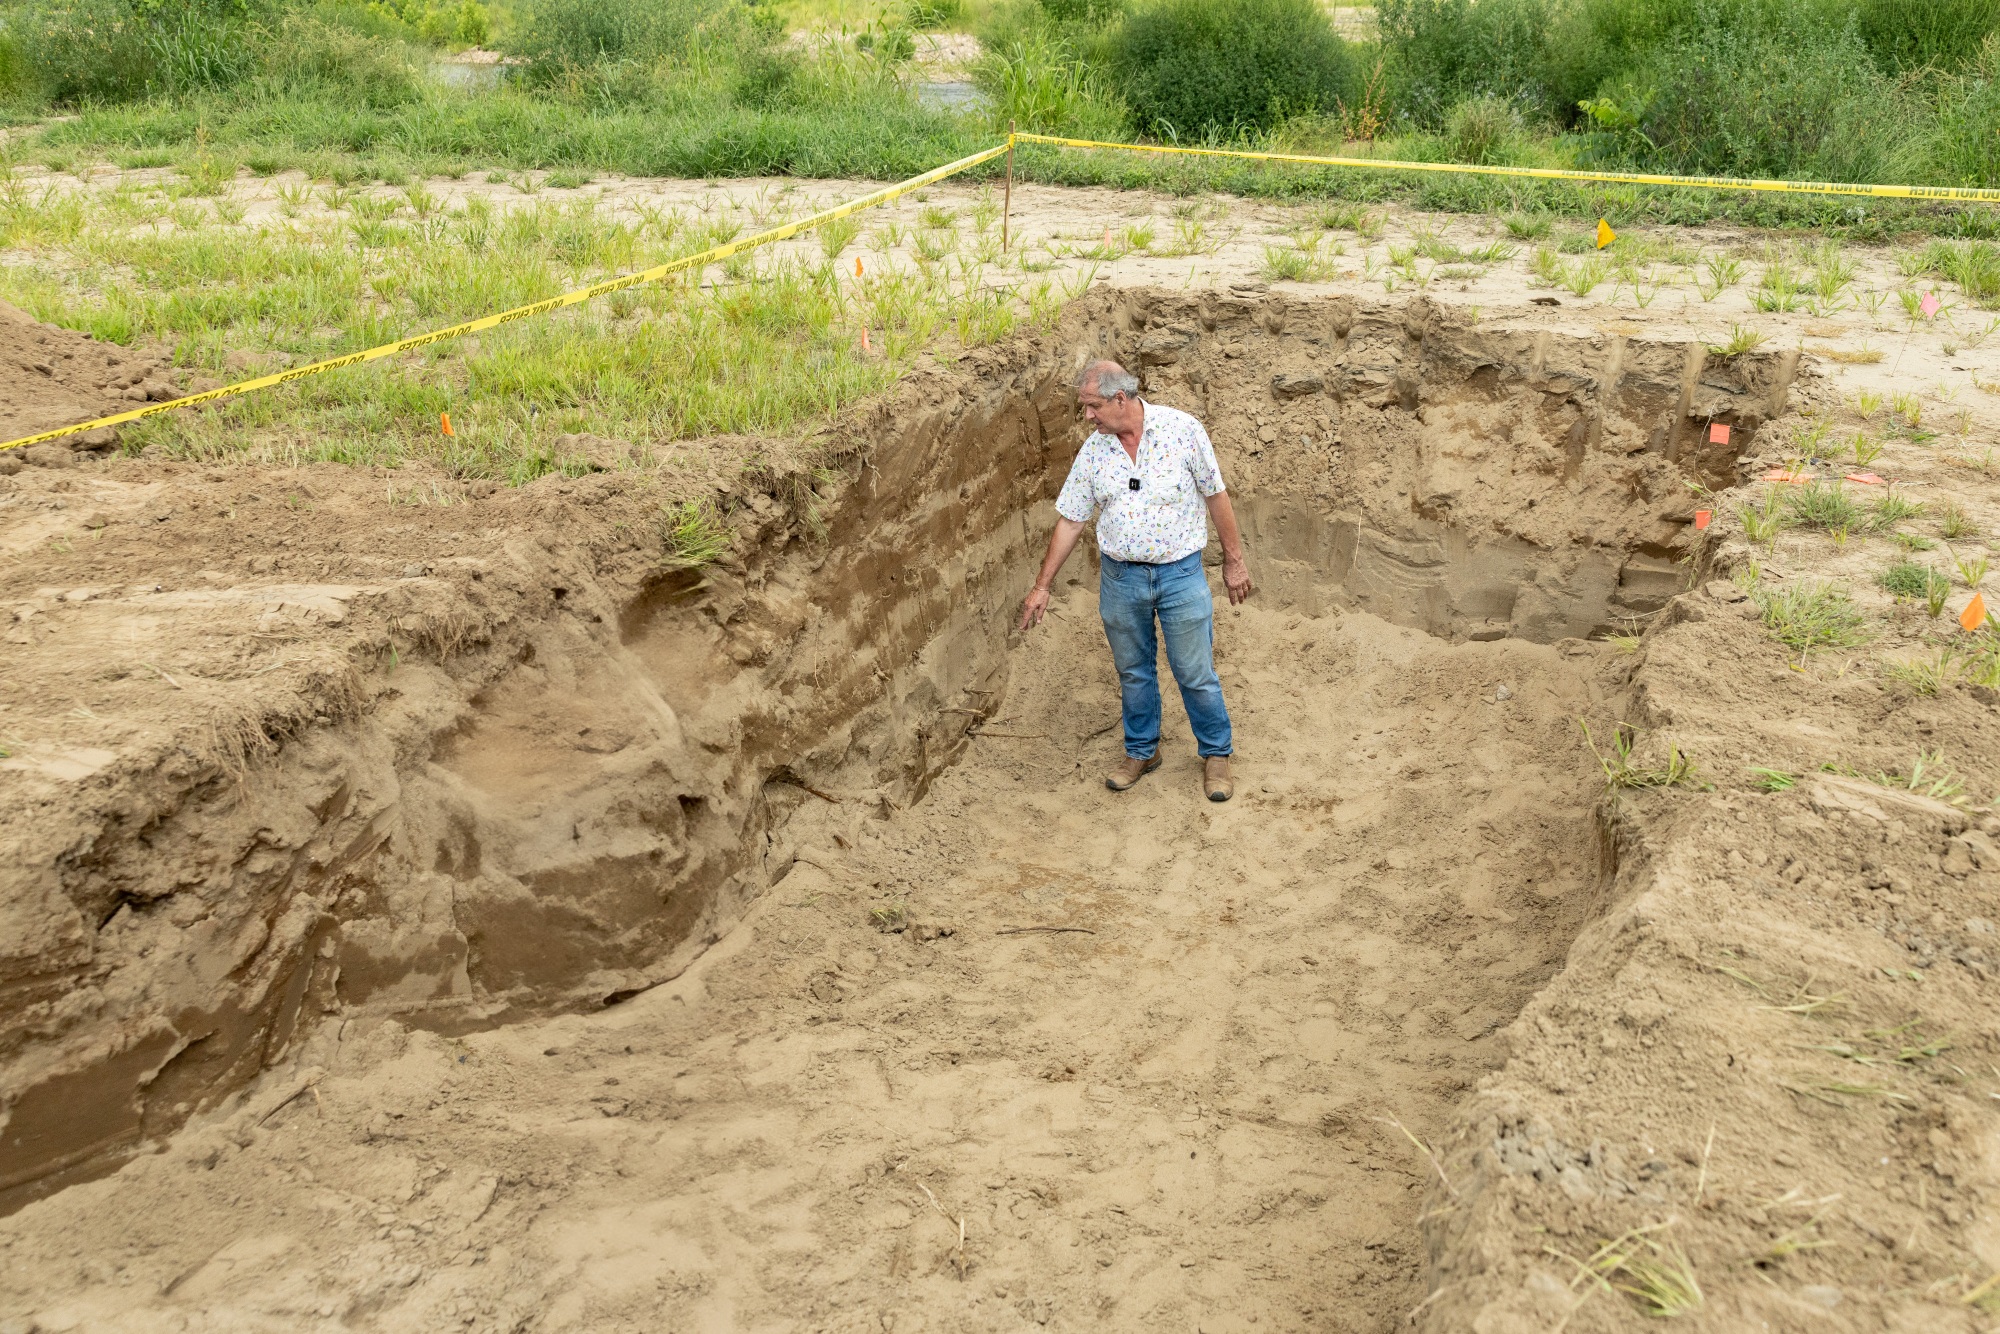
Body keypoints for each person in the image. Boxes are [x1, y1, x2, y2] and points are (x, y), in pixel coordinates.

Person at [1016, 360, 1253, 801]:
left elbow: (1215, 494)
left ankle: (1216, 753)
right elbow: (1071, 519)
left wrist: (1233, 560)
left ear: (1120, 399)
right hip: (1121, 578)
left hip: (1180, 573)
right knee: (1133, 671)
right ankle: (1143, 750)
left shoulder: (1183, 430)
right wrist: (1042, 585)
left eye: (1093, 406)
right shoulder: (1094, 452)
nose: (1087, 416)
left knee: (1194, 670)